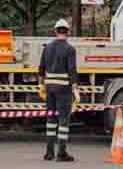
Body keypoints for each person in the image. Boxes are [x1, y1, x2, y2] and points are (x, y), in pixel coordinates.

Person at [39, 18, 79, 162]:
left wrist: (42, 85)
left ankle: (49, 153)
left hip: (50, 89)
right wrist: (75, 88)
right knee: (63, 121)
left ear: (55, 31)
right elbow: (72, 69)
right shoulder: (70, 49)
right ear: (67, 32)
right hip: (64, 89)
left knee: (50, 119)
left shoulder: (47, 48)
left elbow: (41, 69)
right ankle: (61, 153)